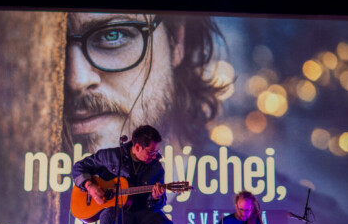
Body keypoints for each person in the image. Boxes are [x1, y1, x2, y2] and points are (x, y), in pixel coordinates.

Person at [63, 12, 226, 154]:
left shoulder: (243, 187)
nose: (76, 81)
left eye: (113, 34)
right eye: (58, 46)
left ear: (176, 40)